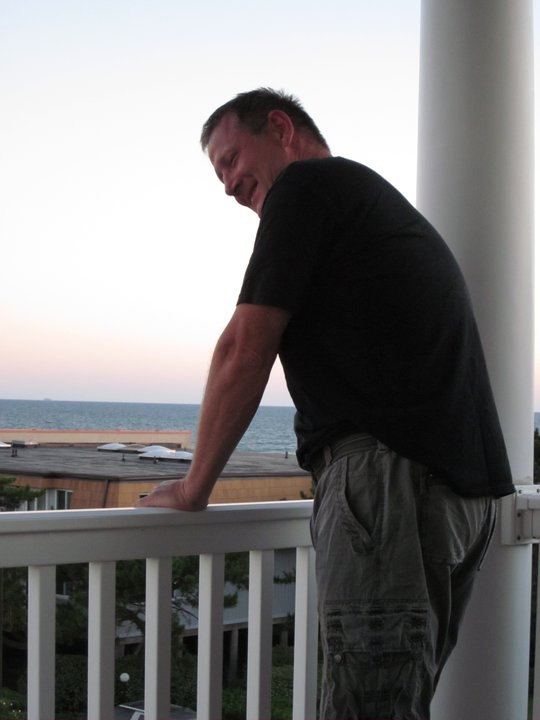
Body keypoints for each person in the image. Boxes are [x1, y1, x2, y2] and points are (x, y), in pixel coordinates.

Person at [136, 88, 515, 719]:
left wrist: (193, 487)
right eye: (219, 173)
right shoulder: (364, 202)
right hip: (454, 492)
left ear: (280, 128)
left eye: (231, 160)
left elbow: (243, 348)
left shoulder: (306, 188)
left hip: (388, 487)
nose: (228, 185)